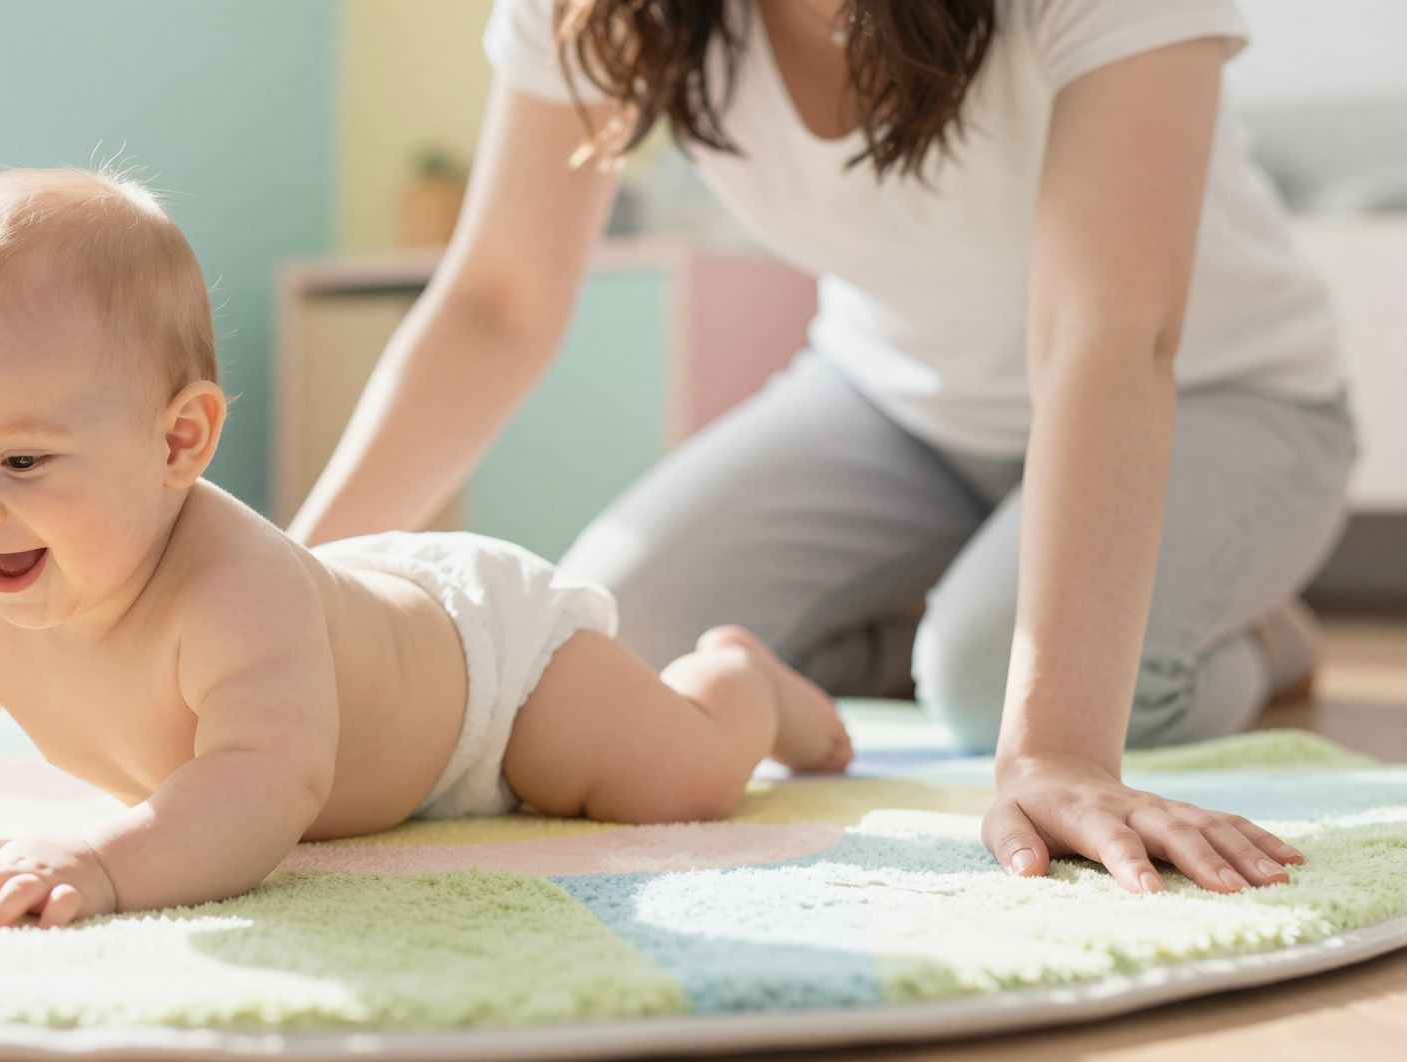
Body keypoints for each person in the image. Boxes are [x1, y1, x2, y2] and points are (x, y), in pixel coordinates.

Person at [290, 0, 1349, 894]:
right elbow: (497, 302)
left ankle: (1258, 640)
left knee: (988, 683)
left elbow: (1105, 336)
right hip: (894, 402)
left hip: (1223, 395)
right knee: (618, 645)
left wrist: (1055, 750)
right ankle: (967, 600)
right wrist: (292, 589)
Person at [0, 168, 851, 929]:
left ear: (179, 441)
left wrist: (108, 864)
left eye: (22, 463)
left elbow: (266, 787)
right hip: (374, 624)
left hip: (483, 681)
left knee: (674, 779)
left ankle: (739, 684)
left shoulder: (233, 590)